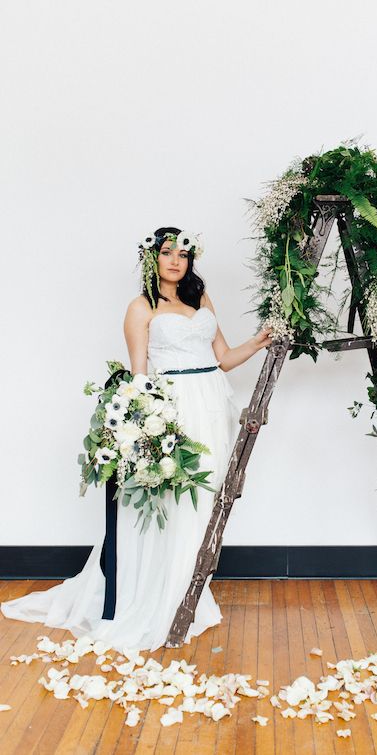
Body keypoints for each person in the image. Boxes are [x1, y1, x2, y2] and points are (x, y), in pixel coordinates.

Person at [0, 226, 273, 652]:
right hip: (175, 407)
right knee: (177, 502)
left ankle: (190, 596)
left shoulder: (201, 300)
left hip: (211, 404)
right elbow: (140, 375)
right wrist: (150, 426)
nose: (176, 261)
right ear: (153, 259)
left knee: (206, 503)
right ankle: (160, 600)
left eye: (183, 254)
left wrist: (258, 342)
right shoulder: (140, 307)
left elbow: (222, 360)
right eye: (167, 253)